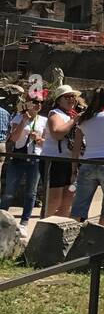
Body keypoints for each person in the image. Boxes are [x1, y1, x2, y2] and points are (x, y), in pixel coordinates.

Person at [70, 89, 104, 227]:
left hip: (87, 162)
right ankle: (100, 238)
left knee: (79, 205)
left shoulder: (84, 119)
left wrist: (74, 169)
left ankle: (71, 236)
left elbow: (76, 148)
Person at [1, 96, 45, 230]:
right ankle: (2, 219)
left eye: (41, 102)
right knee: (9, 191)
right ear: (28, 103)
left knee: (31, 193)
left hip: (35, 158)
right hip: (18, 158)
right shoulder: (18, 118)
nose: (38, 104)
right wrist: (24, 121)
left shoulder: (44, 120)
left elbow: (47, 143)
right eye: (35, 102)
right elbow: (13, 138)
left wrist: (38, 138)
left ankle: (24, 222)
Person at [39, 85, 80, 218]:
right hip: (54, 160)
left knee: (68, 200)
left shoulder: (72, 115)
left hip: (69, 161)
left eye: (73, 96)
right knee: (53, 200)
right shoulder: (55, 113)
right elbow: (57, 133)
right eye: (67, 97)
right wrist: (74, 120)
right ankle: (42, 232)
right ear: (59, 100)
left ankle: (57, 233)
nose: (71, 99)